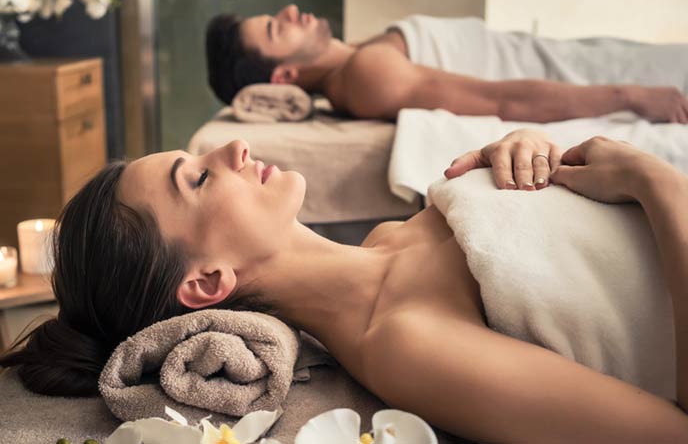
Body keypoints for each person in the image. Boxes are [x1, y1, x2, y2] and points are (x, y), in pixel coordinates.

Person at [2, 130, 688, 442]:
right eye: (202, 177)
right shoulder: (403, 342)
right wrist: (655, 183)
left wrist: (533, 152)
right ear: (209, 281)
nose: (235, 148)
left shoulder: (394, 236)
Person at [205, 4, 688, 124]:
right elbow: (502, 100)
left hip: (585, 58)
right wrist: (632, 96)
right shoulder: (368, 76)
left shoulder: (359, 56)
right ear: (285, 76)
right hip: (603, 81)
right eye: (277, 29)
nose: (291, 11)